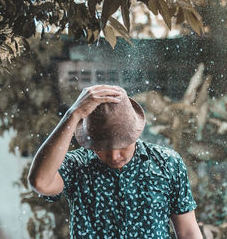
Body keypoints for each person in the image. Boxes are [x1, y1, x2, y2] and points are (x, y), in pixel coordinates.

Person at [28, 85, 203, 239]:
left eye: (121, 146)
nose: (113, 156)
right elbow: (41, 182)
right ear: (90, 142)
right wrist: (73, 114)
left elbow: (188, 232)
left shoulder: (167, 163)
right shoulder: (76, 166)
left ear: (135, 133)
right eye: (102, 148)